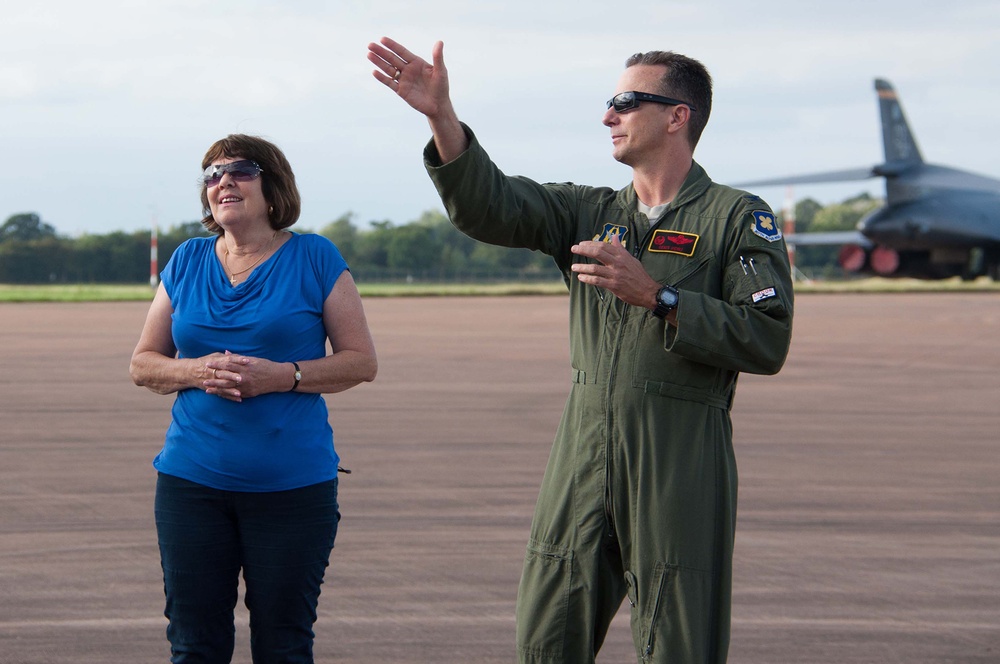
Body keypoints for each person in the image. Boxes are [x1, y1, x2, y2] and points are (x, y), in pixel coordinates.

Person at [368, 37, 793, 663]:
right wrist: (440, 115)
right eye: (609, 103)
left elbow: (768, 336)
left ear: (679, 116)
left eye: (626, 102)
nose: (608, 117)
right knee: (547, 628)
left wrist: (659, 298)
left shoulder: (736, 217)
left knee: (680, 635)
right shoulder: (589, 213)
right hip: (583, 447)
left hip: (679, 451)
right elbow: (494, 204)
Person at [129, 134, 378, 663]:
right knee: (194, 644)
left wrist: (282, 376)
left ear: (273, 185)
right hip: (191, 486)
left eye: (239, 170)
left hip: (292, 490)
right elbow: (143, 364)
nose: (223, 182)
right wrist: (195, 371)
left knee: (284, 645)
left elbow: (360, 361)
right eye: (212, 175)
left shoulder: (314, 256)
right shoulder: (188, 260)